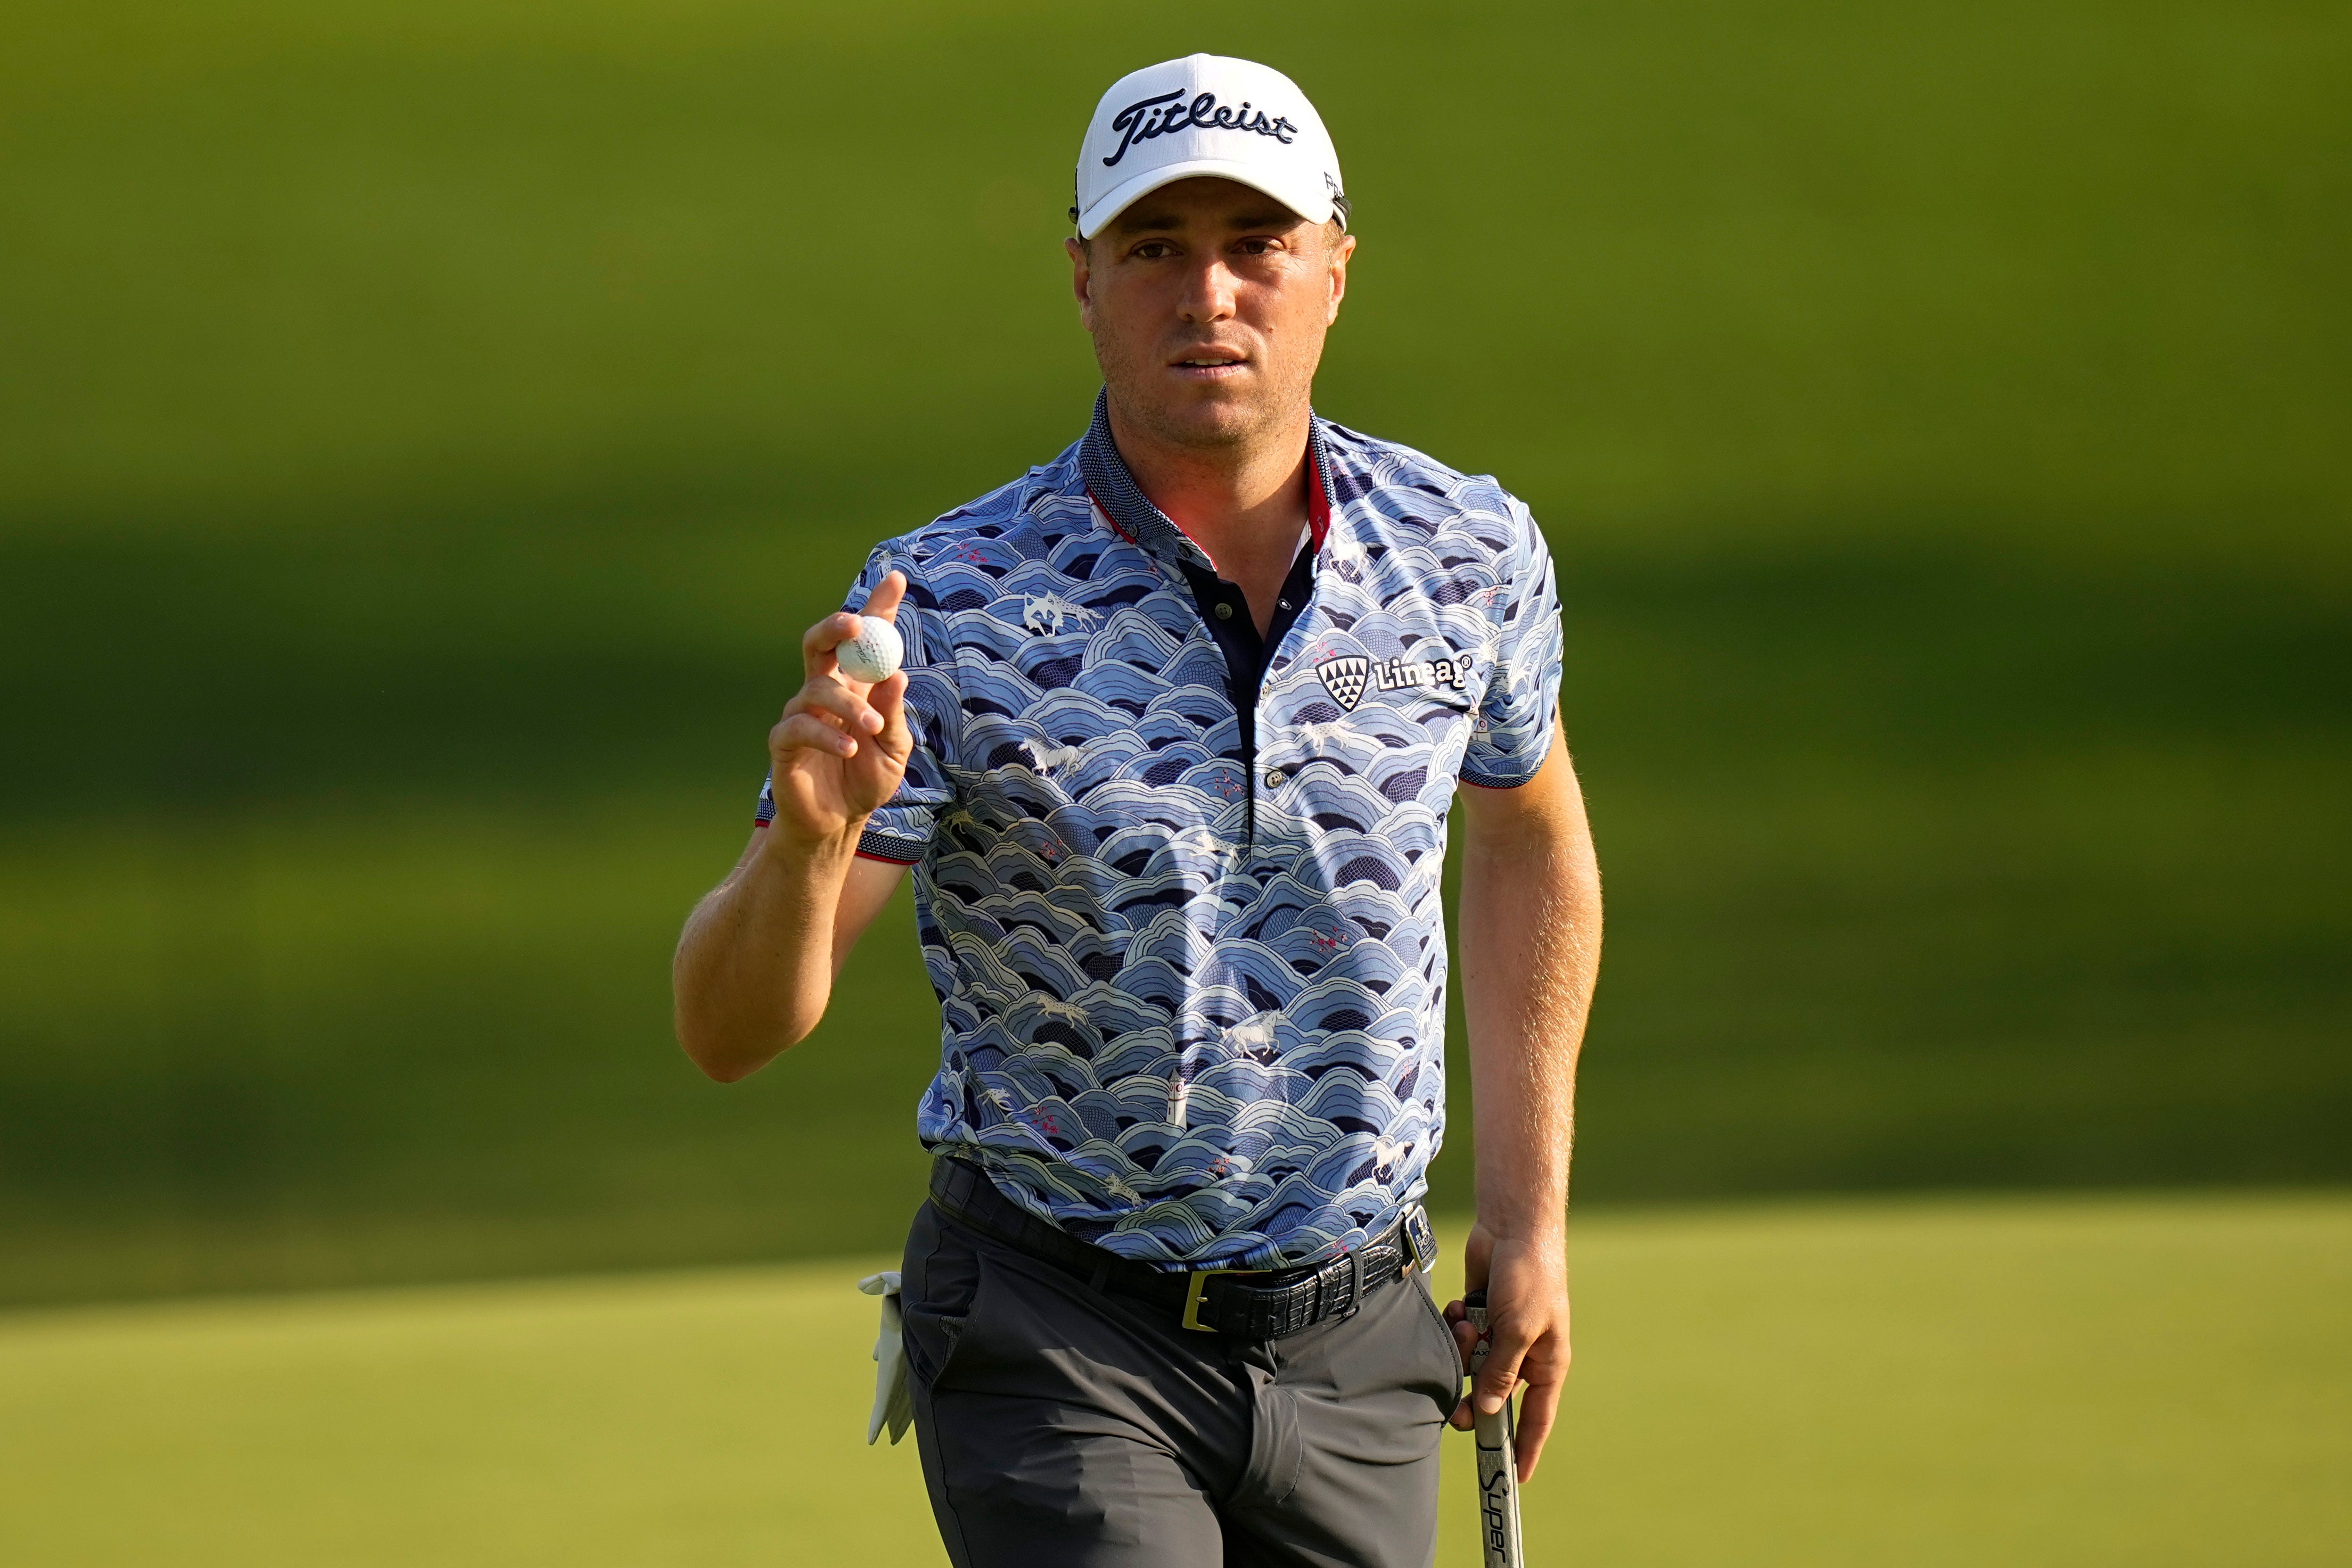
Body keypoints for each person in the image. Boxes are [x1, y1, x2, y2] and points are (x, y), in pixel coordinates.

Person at [672, 53, 1602, 1568]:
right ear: (1083, 281)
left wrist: (1528, 1209)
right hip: (1057, 1330)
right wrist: (812, 837)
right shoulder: (951, 602)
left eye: (1257, 245)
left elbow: (1528, 837)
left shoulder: (1464, 554)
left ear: (1334, 271)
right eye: (1156, 249)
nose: (1210, 294)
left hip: (1363, 1333)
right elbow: (728, 1027)